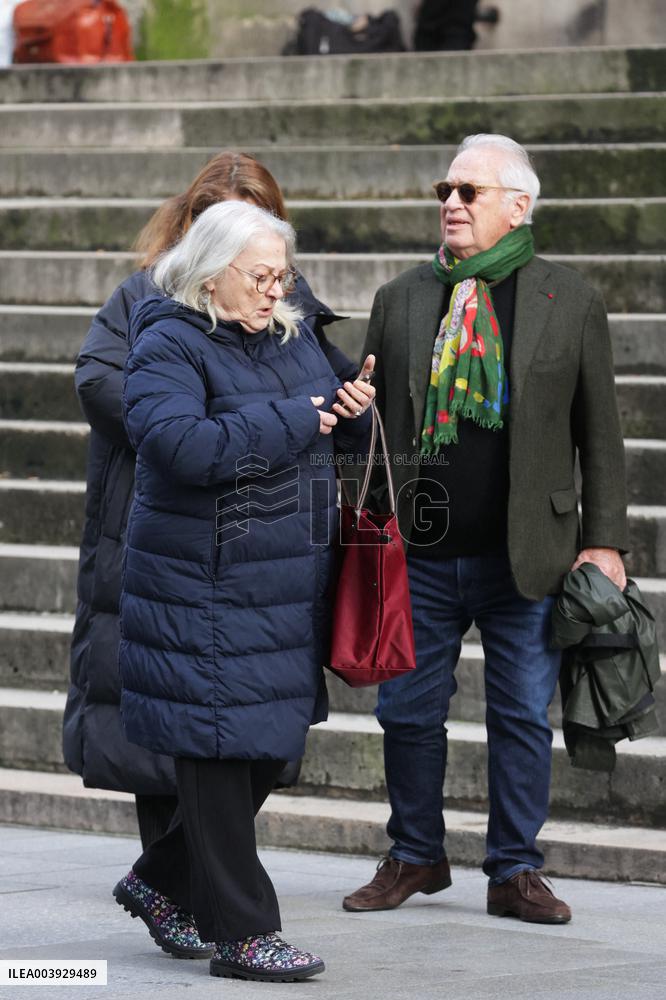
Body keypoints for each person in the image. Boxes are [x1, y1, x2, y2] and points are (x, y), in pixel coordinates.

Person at [342, 134, 628, 924]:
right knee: (406, 714)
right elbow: (375, 428)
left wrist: (605, 539)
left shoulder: (568, 299)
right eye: (446, 190)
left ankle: (514, 871)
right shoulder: (401, 298)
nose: (452, 203)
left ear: (518, 206)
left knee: (520, 717)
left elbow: (600, 432)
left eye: (470, 191)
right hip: (421, 554)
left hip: (526, 556)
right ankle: (415, 854)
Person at [63, 151, 355, 855]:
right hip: (157, 514)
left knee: (240, 711)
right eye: (214, 217)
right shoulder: (145, 299)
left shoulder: (279, 301)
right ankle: (176, 875)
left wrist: (341, 406)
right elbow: (104, 384)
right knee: (166, 694)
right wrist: (193, 421)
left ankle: (186, 875)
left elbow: (318, 387)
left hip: (261, 531)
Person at [112, 200, 374, 981]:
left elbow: (331, 425)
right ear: (209, 274)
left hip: (287, 588)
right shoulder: (167, 342)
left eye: (281, 276)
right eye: (259, 277)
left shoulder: (293, 335)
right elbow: (181, 446)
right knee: (222, 757)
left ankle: (159, 880)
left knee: (268, 751)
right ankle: (244, 934)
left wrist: (352, 414)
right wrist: (298, 418)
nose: (274, 291)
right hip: (203, 589)